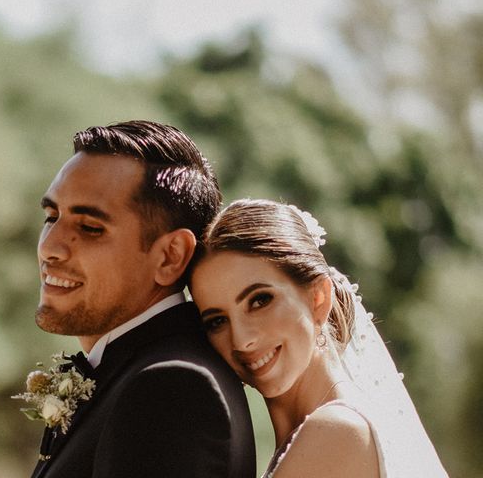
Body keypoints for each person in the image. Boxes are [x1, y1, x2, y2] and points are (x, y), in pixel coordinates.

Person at [28, 121, 256, 478]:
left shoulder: (171, 391)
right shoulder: (135, 375)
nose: (50, 247)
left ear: (170, 256)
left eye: (90, 228)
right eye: (51, 216)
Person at [189, 199, 449, 477]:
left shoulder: (337, 431)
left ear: (318, 298)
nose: (241, 341)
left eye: (260, 300)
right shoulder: (321, 432)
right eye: (217, 321)